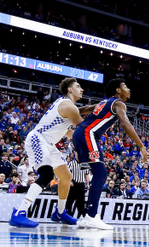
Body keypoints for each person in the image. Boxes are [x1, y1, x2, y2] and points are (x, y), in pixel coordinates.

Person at [9, 78, 94, 228]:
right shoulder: (68, 106)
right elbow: (83, 128)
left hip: (48, 143)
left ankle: (60, 213)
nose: (82, 89)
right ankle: (19, 212)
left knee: (66, 176)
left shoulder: (67, 105)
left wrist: (97, 107)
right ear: (70, 89)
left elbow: (69, 129)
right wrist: (102, 112)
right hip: (37, 139)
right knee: (47, 174)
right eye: (78, 86)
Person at [73, 78, 148, 230]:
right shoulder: (118, 103)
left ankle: (86, 215)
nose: (128, 89)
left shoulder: (103, 103)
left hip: (80, 133)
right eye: (125, 85)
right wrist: (141, 145)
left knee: (96, 173)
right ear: (118, 90)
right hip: (88, 133)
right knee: (100, 173)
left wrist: (67, 109)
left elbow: (84, 109)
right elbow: (125, 124)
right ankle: (91, 215)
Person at [66, 150, 89, 218]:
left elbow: (86, 175)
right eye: (76, 154)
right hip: (73, 184)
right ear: (75, 155)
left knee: (81, 202)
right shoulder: (71, 163)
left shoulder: (85, 164)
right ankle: (68, 216)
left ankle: (81, 217)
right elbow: (68, 174)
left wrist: (87, 184)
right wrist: (69, 181)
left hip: (81, 184)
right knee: (69, 201)